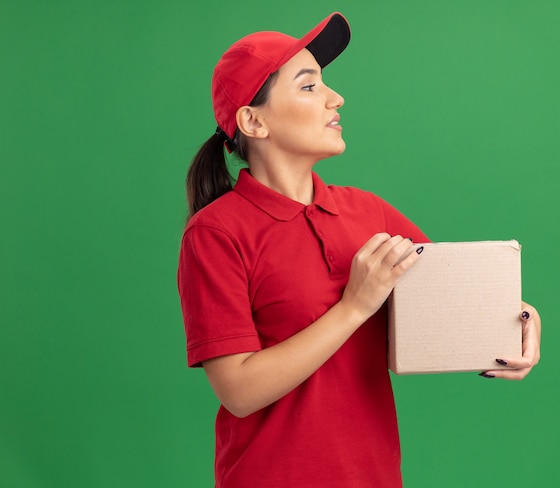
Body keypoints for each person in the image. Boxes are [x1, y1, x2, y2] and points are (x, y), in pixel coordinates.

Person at [177, 12, 541, 487]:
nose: (335, 98)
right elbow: (240, 391)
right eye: (309, 87)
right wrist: (354, 306)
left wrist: (520, 325)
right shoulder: (216, 233)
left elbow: (457, 308)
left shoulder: (367, 213)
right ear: (253, 120)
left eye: (325, 83)